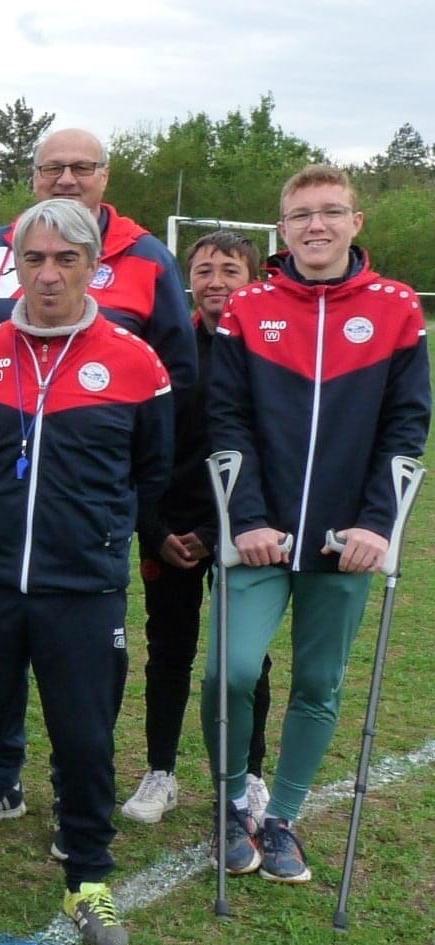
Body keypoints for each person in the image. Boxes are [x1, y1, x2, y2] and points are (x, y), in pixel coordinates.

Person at [0, 199, 173, 945]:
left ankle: (88, 877)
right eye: (34, 259)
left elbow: (152, 471)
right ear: (17, 268)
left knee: (85, 739)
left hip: (84, 588)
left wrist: (107, 542)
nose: (50, 274)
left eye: (67, 259)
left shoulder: (135, 361)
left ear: (93, 265)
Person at [0, 128, 198, 836]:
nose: (66, 177)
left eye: (81, 166)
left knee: (80, 704)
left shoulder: (148, 257)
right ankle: (1, 782)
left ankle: (71, 800)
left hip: (86, 535)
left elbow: (166, 409)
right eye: (51, 166)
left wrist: (119, 513)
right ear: (32, 176)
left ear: (104, 175)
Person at [202, 165, 430, 883]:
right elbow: (227, 418)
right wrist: (246, 518)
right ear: (283, 228)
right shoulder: (250, 305)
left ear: (356, 222)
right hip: (260, 537)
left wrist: (376, 524)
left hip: (345, 540)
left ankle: (282, 819)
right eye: (301, 215)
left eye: (331, 211)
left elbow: (406, 425)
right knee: (230, 672)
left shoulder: (395, 307)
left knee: (319, 683)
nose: (316, 225)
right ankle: (232, 801)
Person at [121, 232, 274, 824]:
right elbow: (141, 450)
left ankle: (249, 774)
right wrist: (154, 528)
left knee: (246, 659)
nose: (216, 282)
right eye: (205, 270)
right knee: (169, 651)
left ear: (252, 279)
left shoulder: (265, 355)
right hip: (169, 532)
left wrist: (216, 530)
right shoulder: (166, 352)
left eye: (230, 270)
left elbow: (271, 453)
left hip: (243, 528)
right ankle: (160, 772)